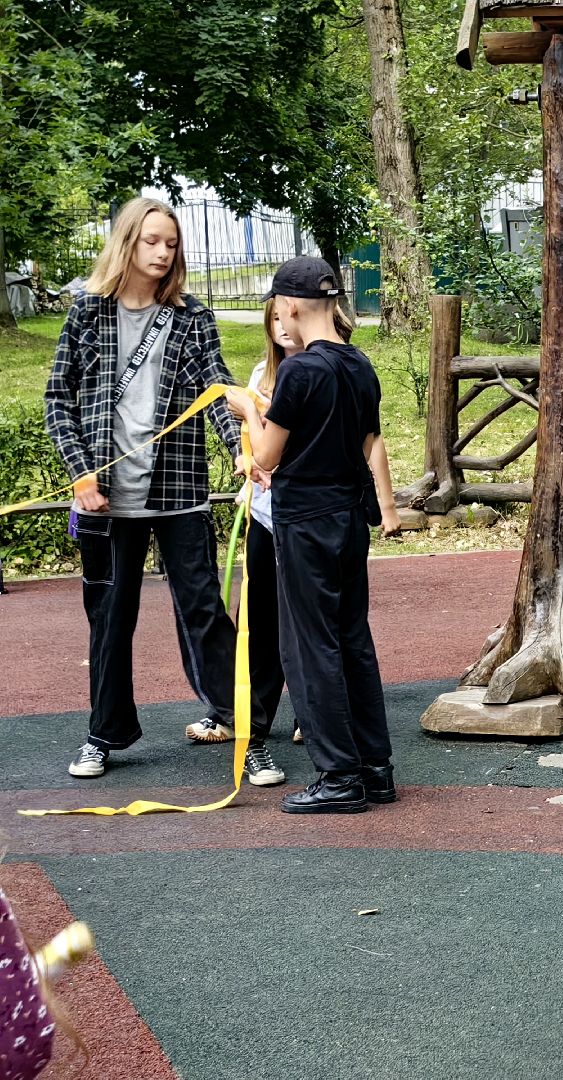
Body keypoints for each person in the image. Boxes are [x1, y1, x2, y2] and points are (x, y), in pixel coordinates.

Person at [43, 196, 280, 786]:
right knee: (111, 616)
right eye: (151, 241)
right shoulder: (87, 313)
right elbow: (58, 400)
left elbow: (218, 388)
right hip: (106, 499)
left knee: (204, 609)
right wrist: (80, 471)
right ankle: (104, 734)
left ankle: (242, 733)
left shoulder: (191, 316)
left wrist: (239, 450)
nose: (162, 252)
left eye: (170, 243)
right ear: (127, 242)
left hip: (179, 493)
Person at [225, 257, 395, 815]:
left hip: (305, 522)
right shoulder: (361, 366)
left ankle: (338, 776)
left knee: (310, 647)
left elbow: (266, 458)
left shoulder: (299, 371)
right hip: (349, 519)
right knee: (353, 641)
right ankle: (375, 770)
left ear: (289, 306)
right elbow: (369, 441)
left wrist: (248, 408)